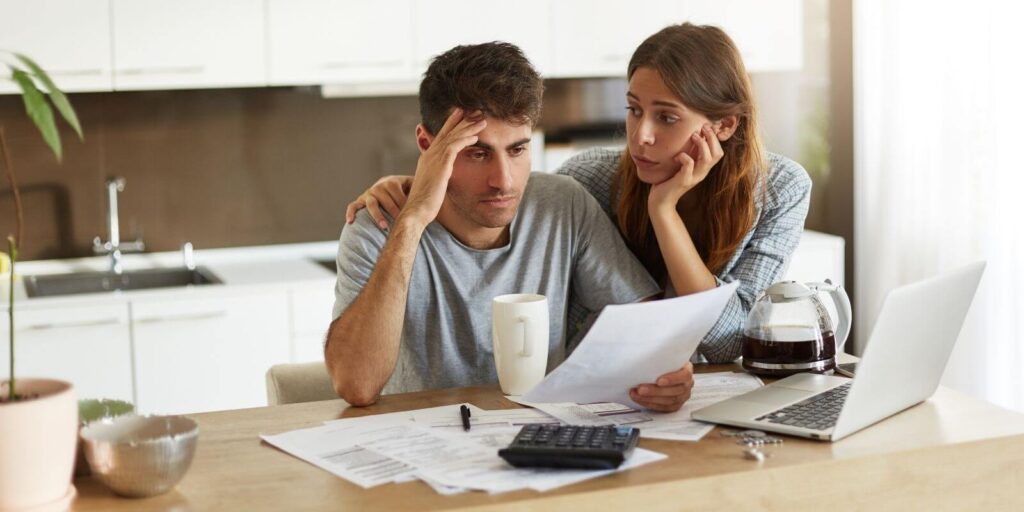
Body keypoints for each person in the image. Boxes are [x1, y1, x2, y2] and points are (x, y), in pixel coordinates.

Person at [346, 23, 811, 364]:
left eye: (666, 118)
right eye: (632, 111)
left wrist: (663, 210)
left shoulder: (780, 190)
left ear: (724, 125)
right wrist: (417, 188)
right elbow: (504, 194)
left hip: (694, 387)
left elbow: (727, 341)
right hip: (605, 390)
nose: (640, 136)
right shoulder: (588, 179)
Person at [327, 42, 696, 412]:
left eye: (517, 150)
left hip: (540, 438)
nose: (503, 180)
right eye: (477, 152)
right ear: (427, 145)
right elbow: (357, 386)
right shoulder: (376, 225)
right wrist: (412, 221)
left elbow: (648, 330)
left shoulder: (563, 204)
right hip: (420, 444)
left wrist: (665, 375)